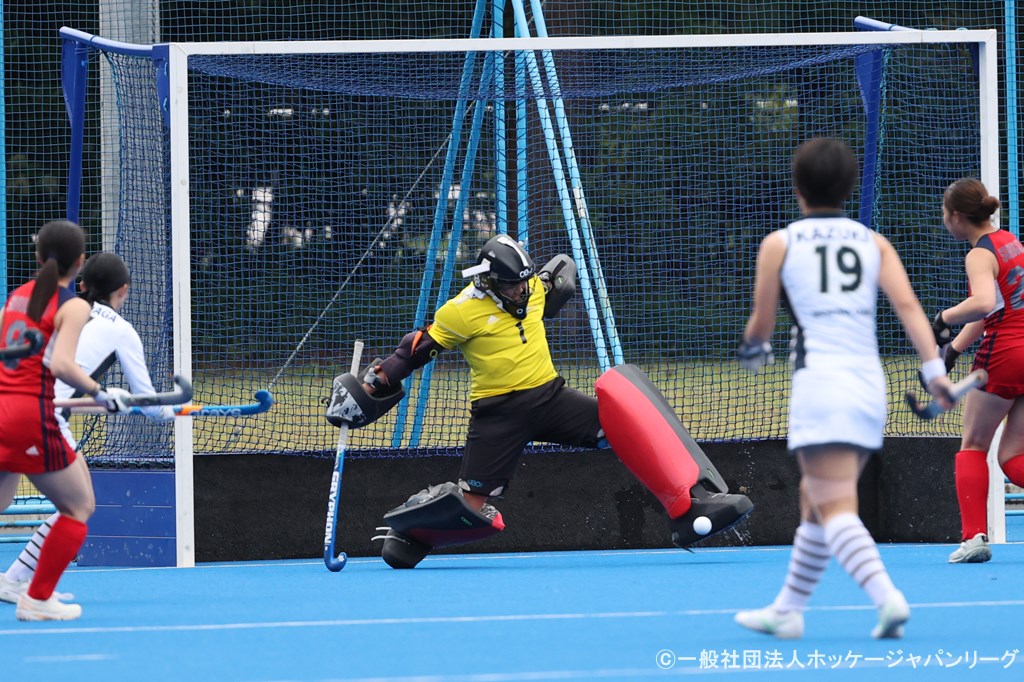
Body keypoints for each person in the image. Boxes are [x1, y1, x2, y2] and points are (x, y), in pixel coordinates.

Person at [326, 233, 752, 569]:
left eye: (523, 282)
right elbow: (412, 353)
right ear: (488, 281)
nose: (520, 291)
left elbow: (556, 277)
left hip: (552, 398)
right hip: (499, 414)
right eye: (511, 285)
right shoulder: (460, 312)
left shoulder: (531, 287)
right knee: (472, 506)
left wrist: (555, 275)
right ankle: (410, 534)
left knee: (626, 426)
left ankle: (690, 505)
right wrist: (373, 383)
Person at [733, 138, 955, 640]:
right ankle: (788, 610)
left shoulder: (780, 244)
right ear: (849, 187)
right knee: (815, 498)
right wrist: (934, 371)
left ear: (798, 187)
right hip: (867, 386)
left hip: (822, 385)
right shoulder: (872, 242)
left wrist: (752, 349)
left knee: (834, 505)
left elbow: (762, 325)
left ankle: (887, 597)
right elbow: (909, 309)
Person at [0, 252, 174, 606]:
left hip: (14, 405)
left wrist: (107, 398)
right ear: (123, 290)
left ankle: (14, 579)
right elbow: (151, 407)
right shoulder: (121, 330)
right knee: (79, 505)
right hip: (40, 418)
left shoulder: (58, 310)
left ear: (83, 285)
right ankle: (29, 590)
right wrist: (176, 411)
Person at [0, 221, 130, 621]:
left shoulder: (17, 296)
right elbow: (61, 365)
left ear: (38, 256)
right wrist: (100, 392)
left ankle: (21, 587)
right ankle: (37, 598)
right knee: (78, 505)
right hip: (30, 416)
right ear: (80, 262)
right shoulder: (73, 306)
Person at [930, 178, 1024, 564]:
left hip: (1004, 352)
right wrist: (953, 350)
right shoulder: (1009, 241)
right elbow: (993, 307)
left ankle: (974, 538)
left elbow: (983, 303)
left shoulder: (979, 254)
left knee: (973, 444)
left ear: (956, 216)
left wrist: (943, 318)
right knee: (1013, 456)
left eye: (944, 214)